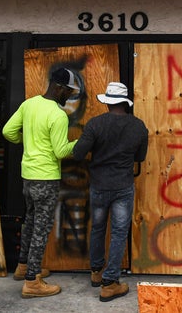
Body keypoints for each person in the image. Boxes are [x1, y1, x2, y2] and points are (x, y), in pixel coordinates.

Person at [2, 67, 81, 298]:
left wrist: (27, 142)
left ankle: (23, 266)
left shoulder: (29, 104)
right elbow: (60, 151)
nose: (69, 96)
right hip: (46, 178)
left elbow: (8, 131)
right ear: (59, 87)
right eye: (69, 91)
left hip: (28, 175)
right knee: (41, 228)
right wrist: (80, 144)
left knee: (30, 221)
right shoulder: (57, 115)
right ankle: (32, 281)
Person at [71, 81, 148, 302]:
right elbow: (140, 158)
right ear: (125, 103)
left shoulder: (95, 124)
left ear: (107, 103)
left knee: (97, 228)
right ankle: (110, 282)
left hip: (98, 185)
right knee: (118, 232)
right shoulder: (138, 126)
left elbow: (78, 154)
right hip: (122, 186)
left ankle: (96, 272)